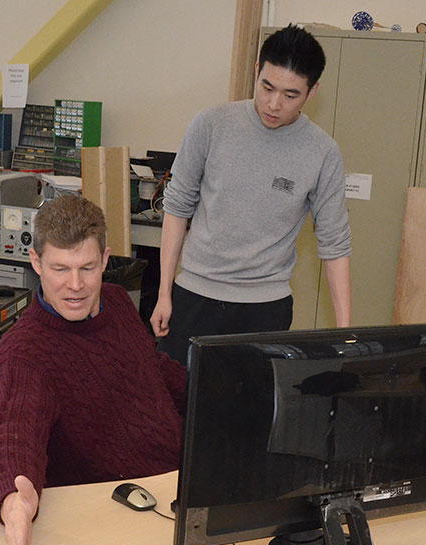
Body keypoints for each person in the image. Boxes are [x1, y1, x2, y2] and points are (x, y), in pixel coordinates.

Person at [0, 196, 186, 545]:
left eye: (87, 268)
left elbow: (150, 369)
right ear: (36, 262)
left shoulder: (118, 302)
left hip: (175, 485)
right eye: (60, 268)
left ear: (106, 260)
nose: (75, 286)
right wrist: (14, 500)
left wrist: (220, 387)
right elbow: (11, 433)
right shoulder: (25, 352)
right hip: (113, 520)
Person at [151, 25, 352, 364]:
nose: (274, 104)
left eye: (290, 95)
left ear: (311, 92)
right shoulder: (211, 125)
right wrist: (164, 292)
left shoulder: (322, 152)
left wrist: (345, 333)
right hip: (194, 298)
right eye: (267, 87)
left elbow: (335, 245)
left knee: (250, 415)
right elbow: (177, 208)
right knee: (175, 407)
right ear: (257, 71)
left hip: (265, 311)